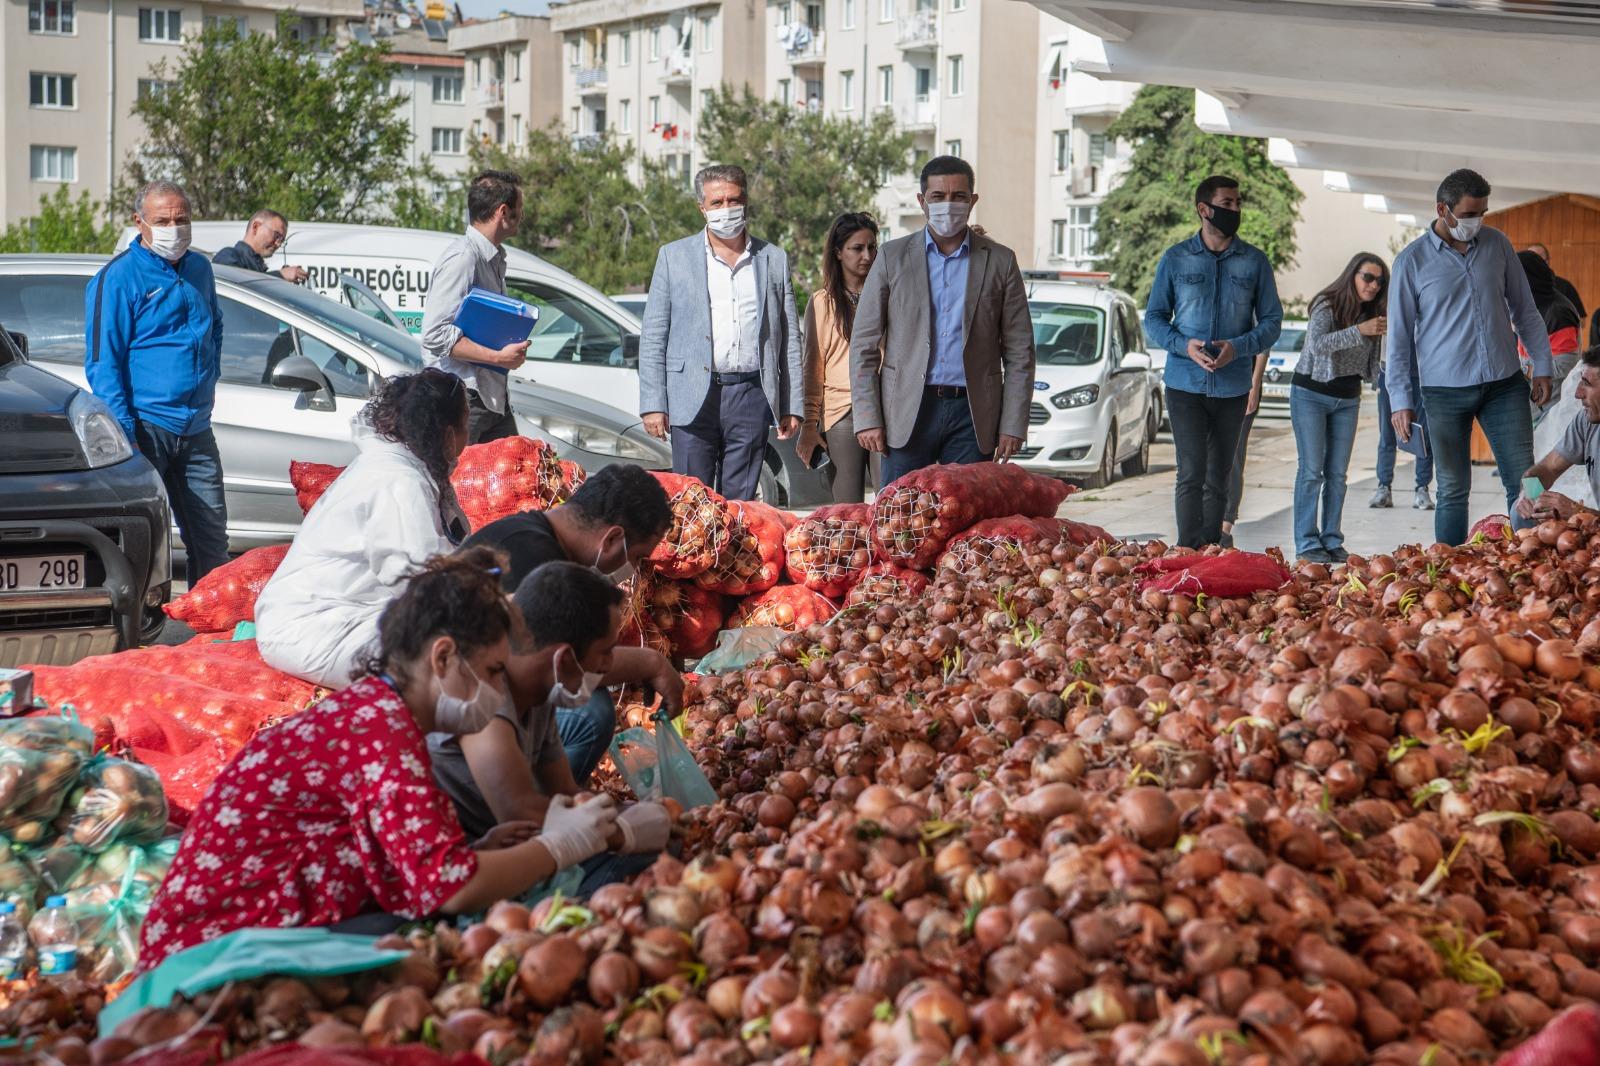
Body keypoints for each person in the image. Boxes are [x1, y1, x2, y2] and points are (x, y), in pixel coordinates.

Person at [137, 550, 623, 973]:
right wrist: (560, 847)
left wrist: (485, 850)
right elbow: (447, 890)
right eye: (494, 672)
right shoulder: (381, 730)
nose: (498, 691)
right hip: (211, 952)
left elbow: (407, 859)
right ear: (443, 658)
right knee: (425, 944)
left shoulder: (380, 716)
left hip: (244, 930)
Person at [429, 562, 669, 889]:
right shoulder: (483, 693)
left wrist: (624, 812)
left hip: (507, 845)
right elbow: (519, 810)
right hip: (466, 864)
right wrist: (620, 833)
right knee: (633, 872)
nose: (609, 665)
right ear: (564, 659)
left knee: (659, 852)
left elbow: (566, 792)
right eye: (606, 652)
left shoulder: (539, 692)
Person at [461, 463, 682, 782]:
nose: (633, 569)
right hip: (463, 716)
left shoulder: (533, 536)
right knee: (589, 712)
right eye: (637, 557)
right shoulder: (535, 561)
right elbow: (569, 664)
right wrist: (652, 664)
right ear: (612, 539)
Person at [257, 370, 470, 688]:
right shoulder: (399, 480)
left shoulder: (401, 467)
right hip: (315, 629)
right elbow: (417, 577)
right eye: (467, 424)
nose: (471, 435)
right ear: (448, 433)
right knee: (460, 662)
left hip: (340, 617)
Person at [1388, 169, 1553, 545]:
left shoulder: (1497, 245)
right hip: (1443, 391)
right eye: (1467, 216)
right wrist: (1400, 401)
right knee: (1451, 488)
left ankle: (1533, 562)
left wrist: (1542, 365)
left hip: (1504, 384)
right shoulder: (1411, 263)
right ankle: (1449, 574)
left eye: (1482, 214)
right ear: (1442, 209)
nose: (1475, 223)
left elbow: (1525, 310)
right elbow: (1397, 341)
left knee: (1525, 479)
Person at [849, 156, 1035, 487]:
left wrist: (1013, 423)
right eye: (938, 196)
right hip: (906, 410)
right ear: (922, 201)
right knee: (900, 517)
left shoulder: (1000, 261)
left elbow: (1020, 351)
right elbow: (863, 345)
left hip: (973, 414)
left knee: (967, 521)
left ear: (972, 201)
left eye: (958, 196)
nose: (948, 204)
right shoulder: (892, 257)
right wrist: (867, 417)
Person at [85, 180, 229, 585]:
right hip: (145, 430)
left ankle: (210, 637)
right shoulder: (117, 278)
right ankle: (140, 636)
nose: (174, 228)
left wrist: (208, 381)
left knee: (212, 542)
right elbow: (103, 363)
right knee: (142, 545)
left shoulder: (200, 268)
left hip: (196, 428)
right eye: (163, 220)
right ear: (139, 222)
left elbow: (213, 326)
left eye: (181, 219)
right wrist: (125, 434)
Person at [638, 164, 803, 501]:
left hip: (750, 394)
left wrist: (792, 404)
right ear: (702, 207)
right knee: (691, 502)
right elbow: (654, 334)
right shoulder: (673, 257)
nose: (726, 209)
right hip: (692, 396)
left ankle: (731, 555)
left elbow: (790, 339)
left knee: (739, 504)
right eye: (717, 202)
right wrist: (652, 403)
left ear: (746, 202)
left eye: (734, 200)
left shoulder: (773, 258)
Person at [1143, 175, 1284, 549]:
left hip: (1232, 386)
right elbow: (1154, 317)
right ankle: (1187, 550)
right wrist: (1183, 345)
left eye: (1238, 203)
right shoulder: (1175, 258)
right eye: (1227, 202)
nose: (1234, 209)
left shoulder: (1254, 262)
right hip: (1185, 384)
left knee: (1220, 475)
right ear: (1204, 209)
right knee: (1190, 473)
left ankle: (1211, 549)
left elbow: (1272, 323)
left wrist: (1237, 348)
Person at [1290, 253, 1388, 563]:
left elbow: (1371, 364)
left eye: (1379, 281)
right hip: (1311, 394)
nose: (1373, 286)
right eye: (1367, 277)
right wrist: (1361, 330)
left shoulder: (1373, 312)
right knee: (1311, 471)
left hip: (1348, 397)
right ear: (1352, 275)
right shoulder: (1327, 304)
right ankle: (1307, 543)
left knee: (1337, 474)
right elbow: (1316, 344)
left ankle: (1331, 539)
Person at [421, 170, 532, 445]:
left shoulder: (491, 257)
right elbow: (434, 334)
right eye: (520, 209)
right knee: (458, 485)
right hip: (463, 398)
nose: (524, 216)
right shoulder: (463, 258)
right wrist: (498, 358)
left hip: (489, 398)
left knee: (509, 478)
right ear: (503, 212)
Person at [797, 212, 883, 502]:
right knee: (847, 513)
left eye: (872, 247)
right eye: (857, 248)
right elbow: (812, 367)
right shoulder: (823, 302)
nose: (867, 256)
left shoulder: (889, 294)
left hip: (885, 407)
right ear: (838, 252)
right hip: (840, 411)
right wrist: (809, 423)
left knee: (891, 507)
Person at [1515, 347, 1600, 523]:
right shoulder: (1586, 421)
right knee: (1522, 513)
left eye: (1587, 384)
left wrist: (1578, 512)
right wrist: (1530, 493)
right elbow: (1548, 468)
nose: (1578, 393)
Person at [1517, 249, 1582, 414]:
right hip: (1533, 406)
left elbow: (1565, 363)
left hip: (1552, 409)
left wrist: (1525, 370)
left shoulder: (1557, 312)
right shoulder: (1531, 306)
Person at [1370, 360, 1434, 511]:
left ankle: (1422, 489)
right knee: (1387, 433)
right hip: (1389, 372)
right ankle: (1383, 487)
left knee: (1424, 435)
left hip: (1423, 371)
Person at [212, 209, 309, 282]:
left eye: (282, 240)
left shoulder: (257, 267)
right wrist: (280, 275)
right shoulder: (228, 256)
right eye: (276, 236)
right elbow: (237, 289)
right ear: (256, 227)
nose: (278, 244)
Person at [1524, 243, 1585, 328]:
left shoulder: (1565, 286)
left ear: (1547, 261)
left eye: (1539, 258)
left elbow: (1581, 320)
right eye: (1531, 260)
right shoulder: (1520, 288)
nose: (1535, 263)